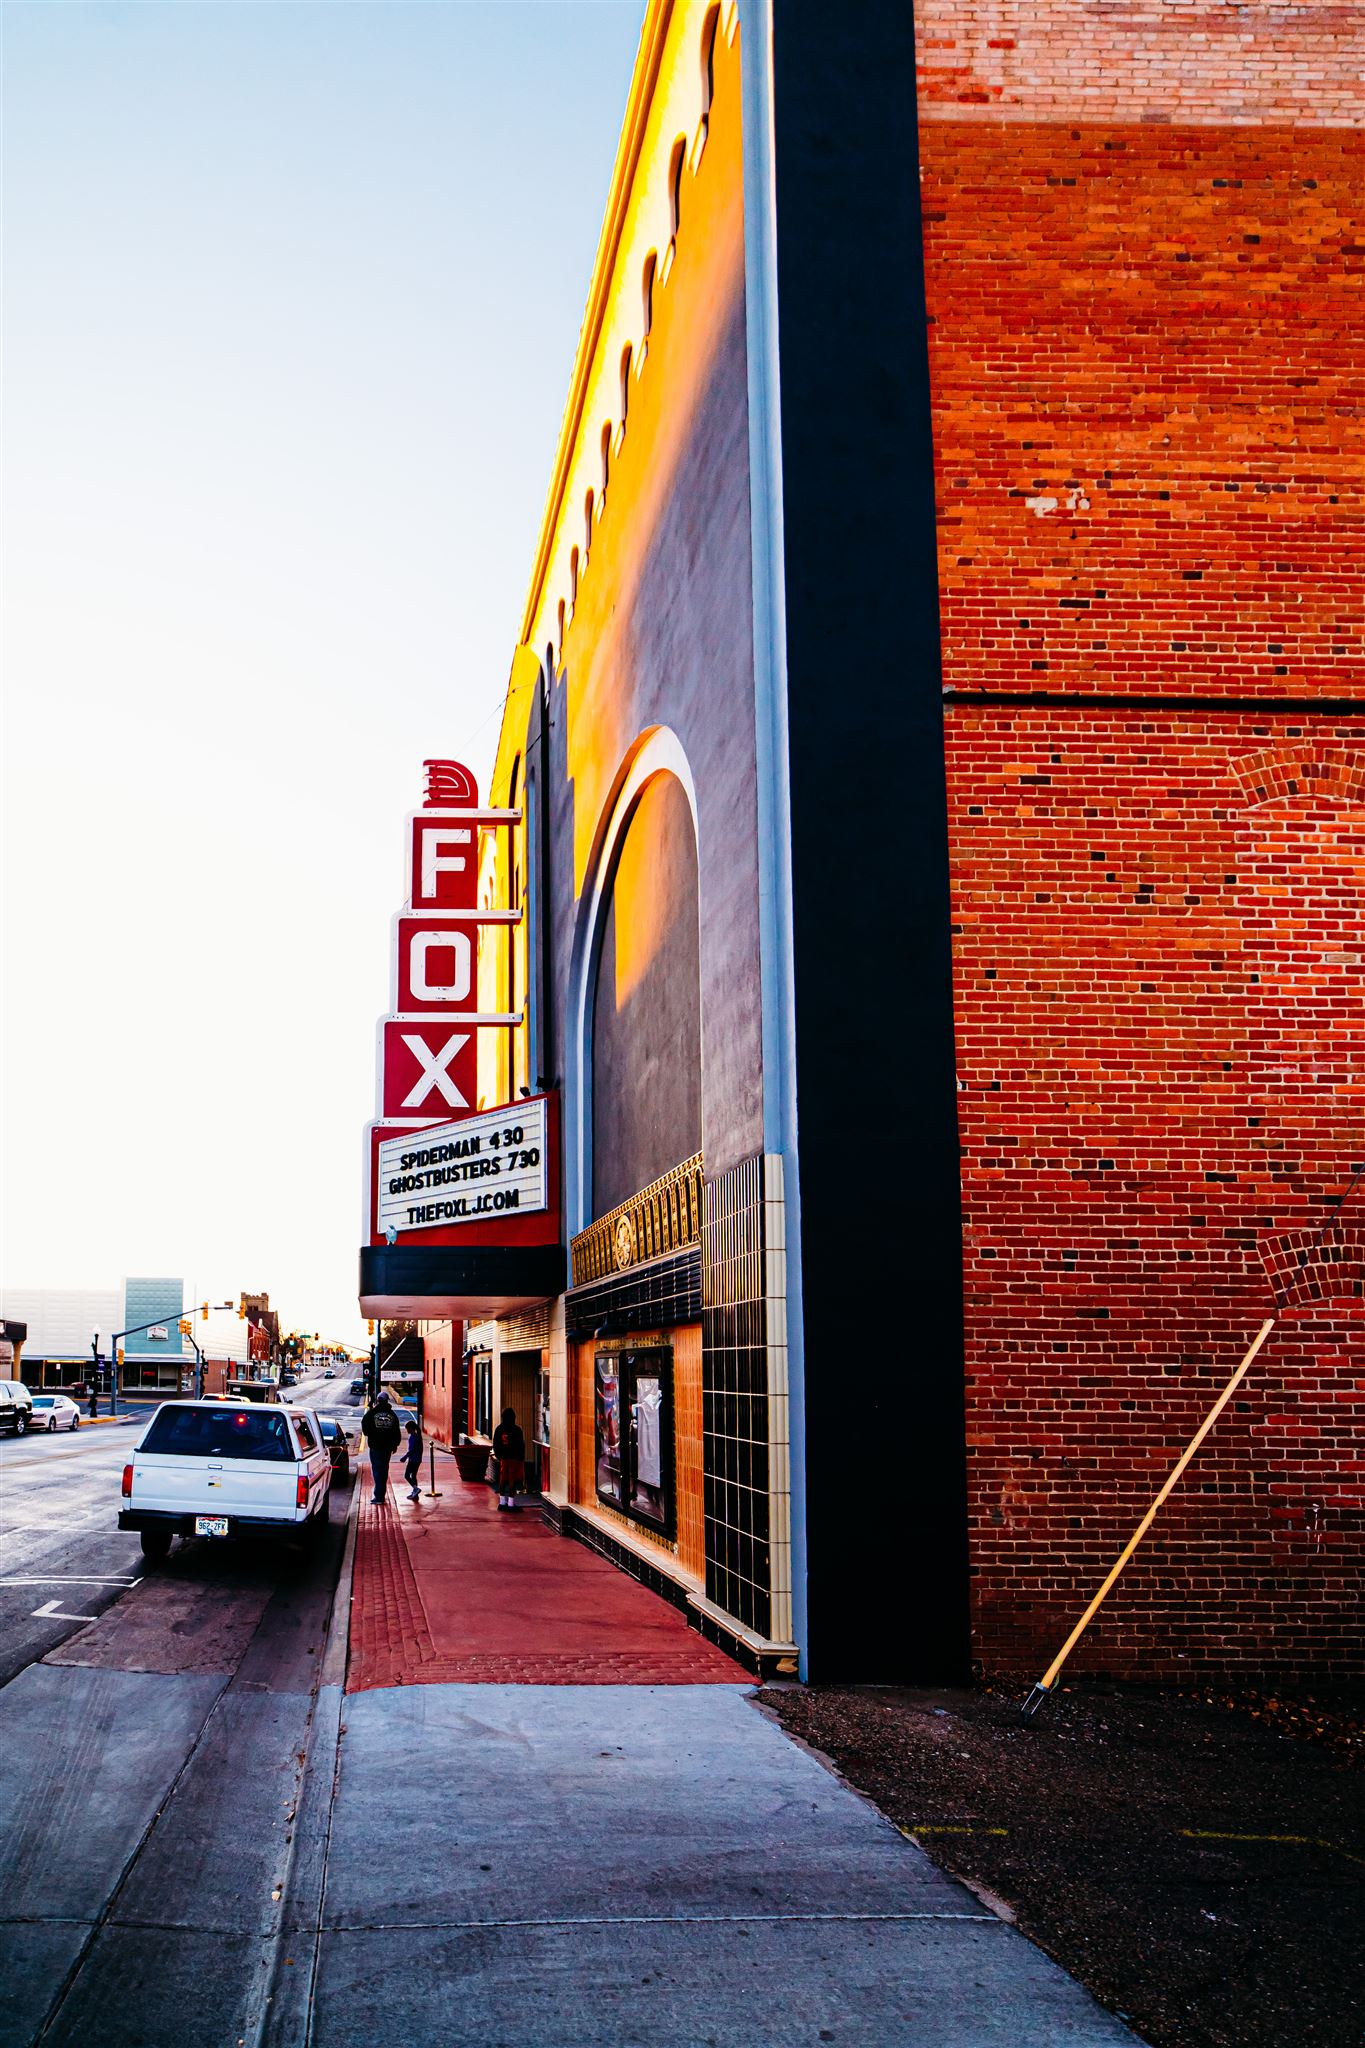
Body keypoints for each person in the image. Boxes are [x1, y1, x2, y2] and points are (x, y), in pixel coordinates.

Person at [360, 1391, 401, 1505]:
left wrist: (371, 1433)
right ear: (387, 1401)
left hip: (376, 1446)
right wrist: (395, 1444)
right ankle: (380, 1494)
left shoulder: (372, 1413)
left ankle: (379, 1497)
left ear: (378, 1400)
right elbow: (396, 1431)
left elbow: (365, 1427)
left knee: (377, 1470)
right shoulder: (392, 1415)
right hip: (387, 1448)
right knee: (384, 1470)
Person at [492, 1406, 526, 1511]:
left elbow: (495, 1443)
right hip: (514, 1458)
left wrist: (498, 1455)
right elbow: (521, 1445)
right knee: (512, 1481)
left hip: (503, 1458)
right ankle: (511, 1503)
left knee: (502, 1480)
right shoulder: (517, 1429)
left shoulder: (499, 1429)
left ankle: (502, 1502)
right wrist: (521, 1457)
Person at [402, 1418, 423, 1502]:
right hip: (418, 1459)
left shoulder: (413, 1437)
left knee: (407, 1475)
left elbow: (411, 1450)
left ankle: (415, 1489)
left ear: (410, 1428)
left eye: (407, 1428)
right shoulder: (418, 1436)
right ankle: (415, 1493)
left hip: (413, 1459)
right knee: (414, 1475)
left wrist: (405, 1457)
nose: (406, 1430)